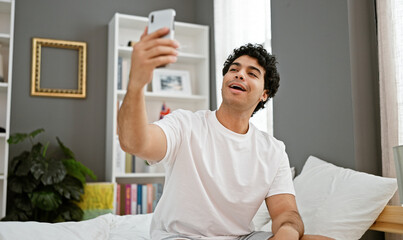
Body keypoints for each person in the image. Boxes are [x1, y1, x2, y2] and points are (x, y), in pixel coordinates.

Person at [118, 27, 333, 240]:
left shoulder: (273, 150)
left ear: (264, 94)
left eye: (252, 73)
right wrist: (136, 84)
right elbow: (134, 143)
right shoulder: (185, 124)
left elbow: (286, 214)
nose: (240, 74)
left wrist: (287, 234)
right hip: (180, 236)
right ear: (224, 81)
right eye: (234, 69)